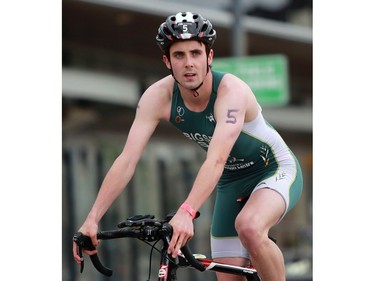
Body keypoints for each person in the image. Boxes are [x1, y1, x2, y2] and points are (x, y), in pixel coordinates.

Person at [72, 11, 303, 281]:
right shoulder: (157, 97)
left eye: (195, 53)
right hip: (231, 181)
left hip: (273, 169)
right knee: (227, 275)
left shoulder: (231, 92)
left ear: (210, 57)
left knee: (249, 227)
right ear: (167, 61)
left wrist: (187, 211)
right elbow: (127, 160)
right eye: (179, 55)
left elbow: (215, 160)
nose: (189, 63)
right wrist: (92, 218)